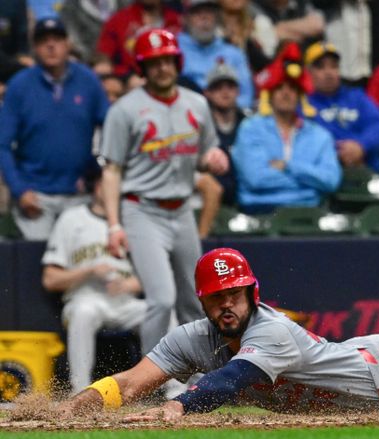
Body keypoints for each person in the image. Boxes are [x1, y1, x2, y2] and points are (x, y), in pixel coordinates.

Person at [57, 247, 379, 419]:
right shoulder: (192, 337)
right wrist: (79, 405)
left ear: (252, 292)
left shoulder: (271, 329)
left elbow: (230, 380)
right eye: (217, 298)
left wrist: (179, 405)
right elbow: (132, 382)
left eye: (236, 294)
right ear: (202, 302)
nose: (227, 305)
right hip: (358, 372)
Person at [99, 28, 229, 361]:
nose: (162, 68)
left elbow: (204, 152)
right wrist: (114, 225)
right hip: (142, 210)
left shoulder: (197, 104)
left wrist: (213, 159)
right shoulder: (125, 110)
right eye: (154, 62)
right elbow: (112, 170)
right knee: (161, 298)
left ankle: (206, 378)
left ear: (176, 61)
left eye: (167, 60)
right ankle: (150, 381)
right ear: (143, 66)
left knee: (194, 298)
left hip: (182, 209)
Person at [0, 17, 109, 240]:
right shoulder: (20, 85)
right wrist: (20, 190)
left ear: (68, 44)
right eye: (43, 40)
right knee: (36, 264)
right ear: (35, 47)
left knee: (81, 261)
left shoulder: (88, 81)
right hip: (36, 196)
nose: (51, 45)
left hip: (79, 193)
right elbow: (2, 144)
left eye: (57, 39)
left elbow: (111, 127)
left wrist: (102, 175)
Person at [41, 171, 147, 395]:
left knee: (159, 311)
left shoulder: (132, 219)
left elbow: (156, 278)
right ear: (97, 186)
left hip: (125, 302)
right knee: (83, 312)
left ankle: (174, 390)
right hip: (85, 297)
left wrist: (129, 285)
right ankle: (80, 392)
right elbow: (50, 279)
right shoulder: (72, 218)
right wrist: (89, 271)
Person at [232, 45, 341, 213]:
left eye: (292, 88)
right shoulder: (250, 129)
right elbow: (255, 179)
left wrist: (288, 166)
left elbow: (331, 180)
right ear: (270, 93)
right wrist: (309, 184)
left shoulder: (320, 135)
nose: (286, 93)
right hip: (259, 212)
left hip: (308, 213)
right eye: (279, 88)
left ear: (300, 95)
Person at [305, 41, 379, 173]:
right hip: (325, 170)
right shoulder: (304, 105)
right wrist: (339, 151)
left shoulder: (357, 97)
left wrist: (361, 145)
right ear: (308, 72)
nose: (328, 72)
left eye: (333, 66)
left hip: (366, 169)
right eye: (321, 67)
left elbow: (377, 126)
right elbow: (308, 140)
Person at [178, 0, 254, 110]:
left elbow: (246, 97)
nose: (204, 18)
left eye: (209, 12)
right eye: (197, 13)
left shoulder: (234, 53)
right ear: (185, 19)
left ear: (217, 17)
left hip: (226, 116)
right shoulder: (176, 49)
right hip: (186, 113)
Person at [96, 0, 183, 78]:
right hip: (130, 77)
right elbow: (104, 55)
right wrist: (125, 78)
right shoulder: (119, 20)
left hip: (171, 75)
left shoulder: (176, 20)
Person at [204, 62, 249, 207]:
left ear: (238, 91)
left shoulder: (249, 124)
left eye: (230, 86)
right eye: (218, 87)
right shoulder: (200, 125)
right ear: (207, 93)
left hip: (245, 195)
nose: (225, 92)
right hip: (211, 197)